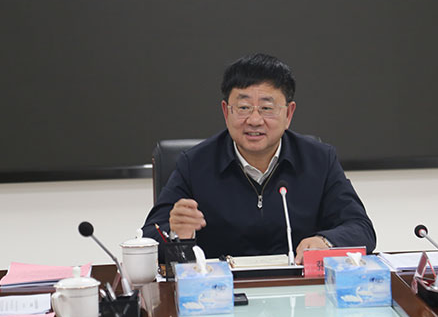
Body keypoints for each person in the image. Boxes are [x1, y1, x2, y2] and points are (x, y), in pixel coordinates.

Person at [142, 53, 376, 263]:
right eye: (243, 107)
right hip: (220, 290)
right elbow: (149, 239)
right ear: (226, 111)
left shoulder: (319, 160)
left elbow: (361, 229)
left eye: (266, 108)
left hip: (299, 289)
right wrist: (177, 235)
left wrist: (325, 241)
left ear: (288, 114)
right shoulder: (195, 164)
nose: (254, 120)